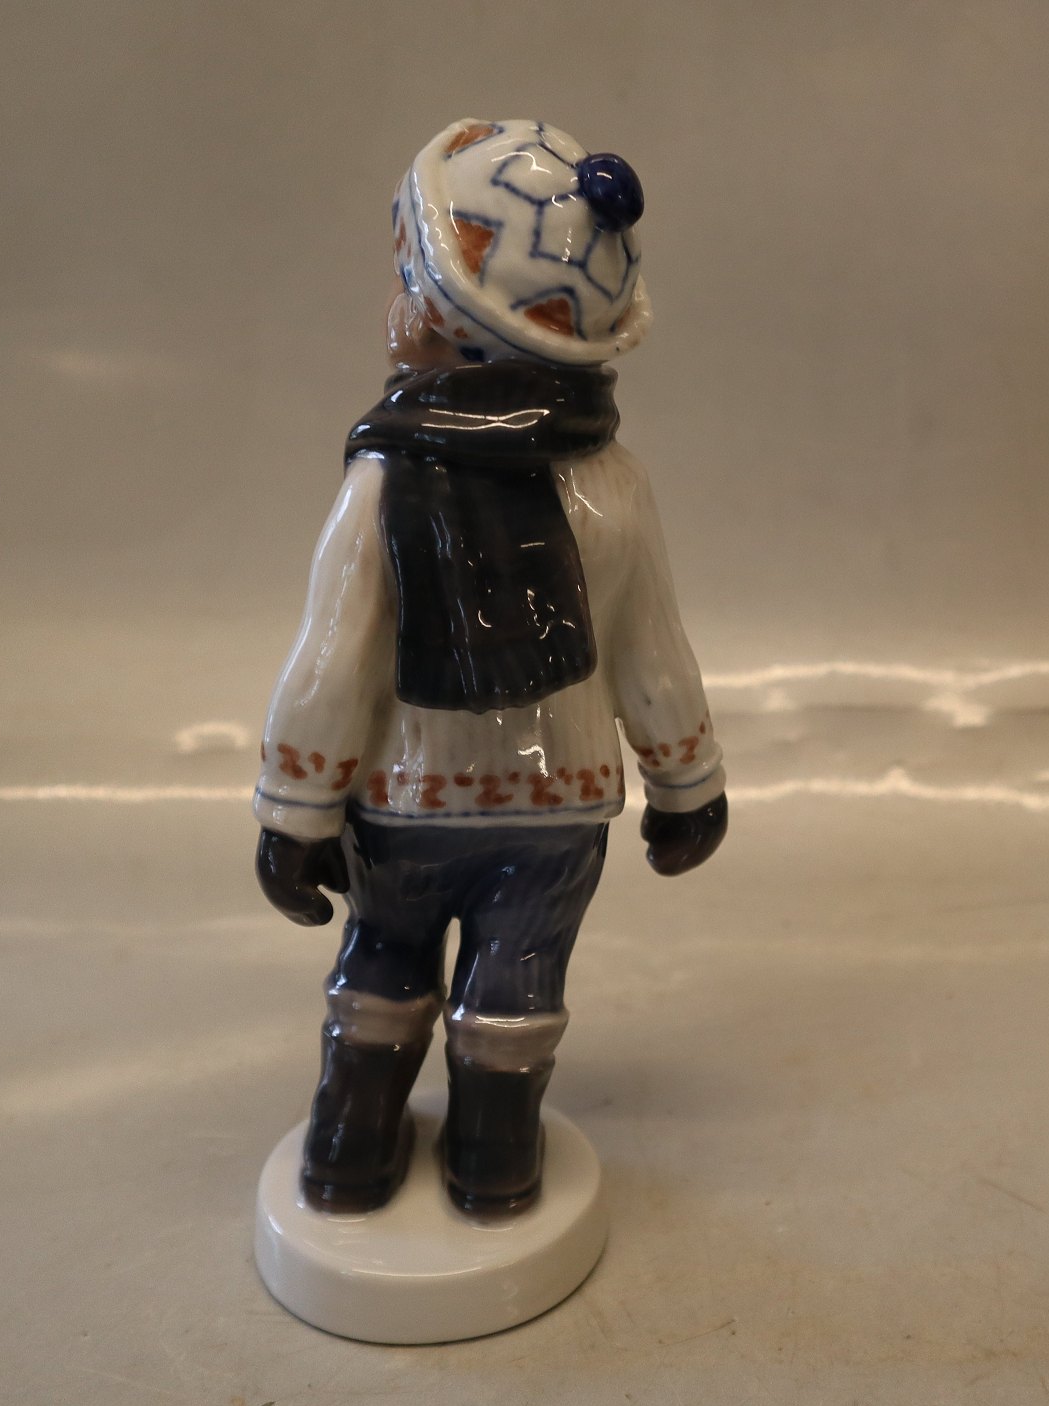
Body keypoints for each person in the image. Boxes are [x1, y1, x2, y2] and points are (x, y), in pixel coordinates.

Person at [253, 118, 727, 1218]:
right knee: (519, 981)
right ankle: (495, 1159)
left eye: (405, 282)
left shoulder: (383, 479)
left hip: (406, 800)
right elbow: (653, 649)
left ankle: (352, 1145)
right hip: (559, 807)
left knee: (383, 957)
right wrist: (687, 784)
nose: (393, 306)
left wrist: (294, 812)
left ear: (439, 318)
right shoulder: (613, 482)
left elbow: (333, 658)